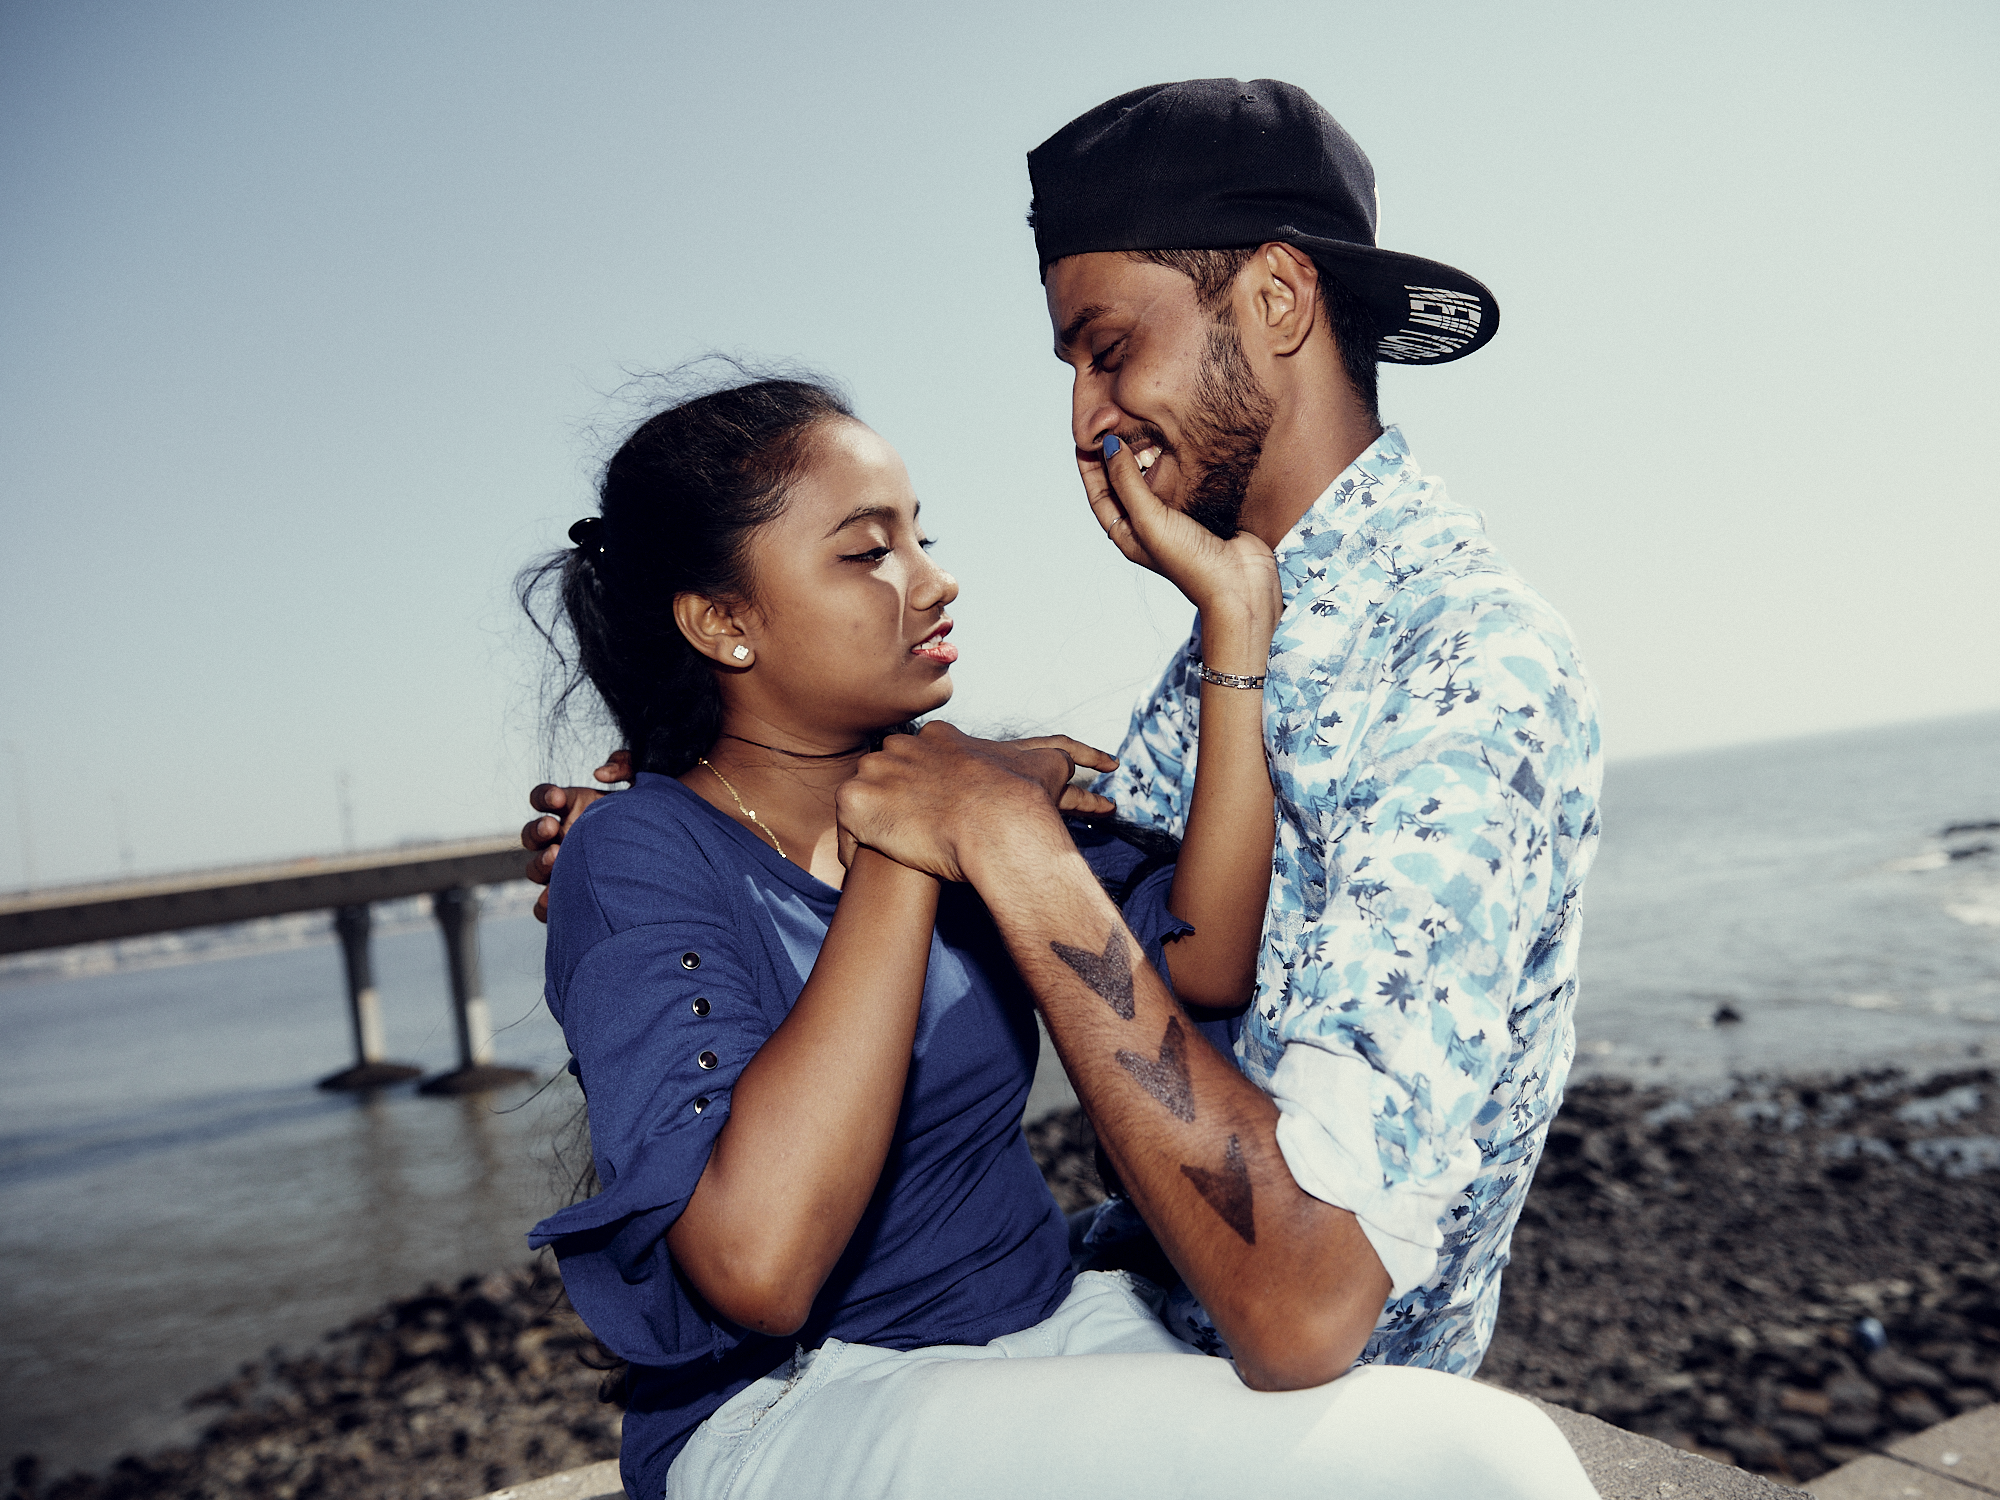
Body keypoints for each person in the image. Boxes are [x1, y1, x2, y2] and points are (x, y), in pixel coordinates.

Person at [530, 76, 1602, 1392]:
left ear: (1276, 301)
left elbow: (1305, 1300)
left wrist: (998, 833)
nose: (1088, 420)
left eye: (1108, 347)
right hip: (1101, 1340)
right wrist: (708, 819)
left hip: (1296, 1407)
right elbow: (1142, 889)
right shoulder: (1237, 648)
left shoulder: (1461, 669)